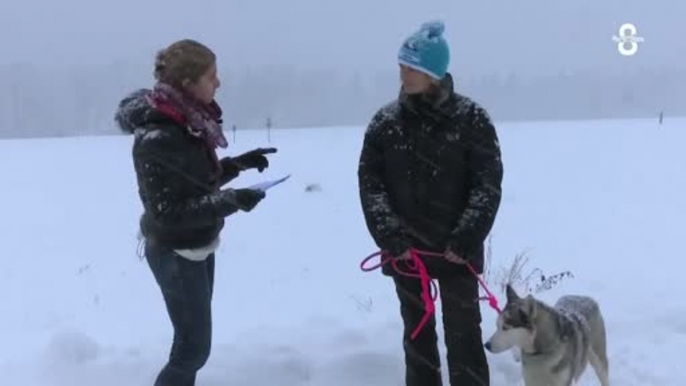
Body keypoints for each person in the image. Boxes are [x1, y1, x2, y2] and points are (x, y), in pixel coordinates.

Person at [115, 39, 276, 386]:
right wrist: (231, 201)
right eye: (211, 76)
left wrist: (239, 164)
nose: (218, 83)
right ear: (187, 84)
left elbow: (195, 182)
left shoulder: (186, 121)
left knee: (190, 342)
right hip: (175, 250)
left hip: (198, 245)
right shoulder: (157, 137)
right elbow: (168, 213)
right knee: (194, 349)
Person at [357, 21, 504, 386]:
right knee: (417, 338)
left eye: (410, 68)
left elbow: (487, 185)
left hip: (456, 255)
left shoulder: (472, 120)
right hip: (407, 256)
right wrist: (390, 237)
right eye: (401, 67)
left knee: (464, 337)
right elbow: (370, 185)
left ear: (432, 73)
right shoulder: (385, 123)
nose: (402, 74)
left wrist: (465, 239)